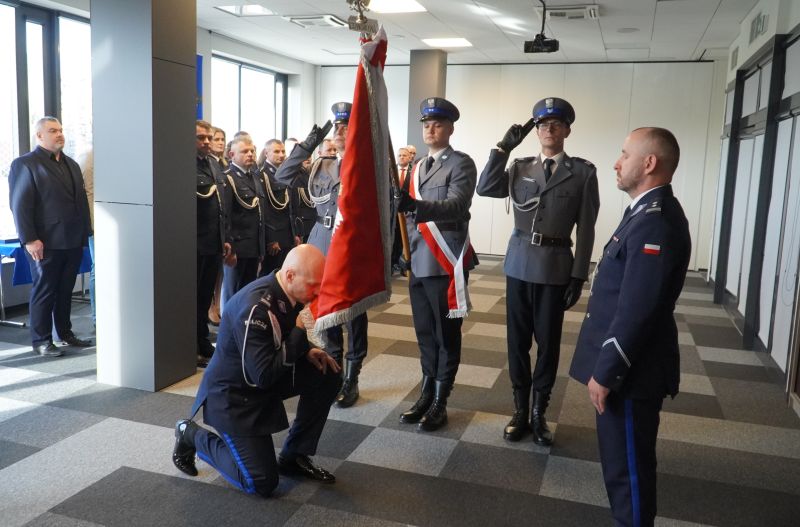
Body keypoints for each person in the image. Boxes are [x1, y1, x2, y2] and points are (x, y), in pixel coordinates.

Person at [570, 127, 690, 527]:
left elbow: (638, 308)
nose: (617, 162)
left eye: (624, 154)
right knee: (622, 469)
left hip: (631, 375)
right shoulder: (643, 211)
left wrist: (606, 372)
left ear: (649, 163)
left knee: (629, 475)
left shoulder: (655, 222)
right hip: (629, 369)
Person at [477, 97, 600, 446]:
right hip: (518, 265)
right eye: (543, 124)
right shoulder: (519, 167)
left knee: (548, 345)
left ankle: (538, 412)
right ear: (536, 130)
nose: (549, 129)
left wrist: (579, 275)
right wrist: (502, 148)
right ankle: (519, 409)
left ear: (567, 130)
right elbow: (485, 187)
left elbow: (587, 228)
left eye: (556, 124)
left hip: (555, 268)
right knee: (517, 343)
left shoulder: (583, 172)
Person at [172, 244, 342, 497]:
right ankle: (190, 434)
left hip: (262, 378)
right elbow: (261, 376)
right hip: (235, 396)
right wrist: (298, 334)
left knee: (328, 372)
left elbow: (277, 338)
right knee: (260, 482)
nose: (318, 293)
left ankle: (294, 455)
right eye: (314, 285)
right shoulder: (255, 307)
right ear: (291, 275)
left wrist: (305, 350)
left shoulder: (291, 291)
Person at [275, 102, 369, 409]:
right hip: (321, 244)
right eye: (337, 127)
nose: (340, 132)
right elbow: (284, 174)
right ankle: (334, 373)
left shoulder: (365, 165)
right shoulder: (321, 165)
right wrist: (310, 143)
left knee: (353, 316)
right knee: (325, 314)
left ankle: (352, 378)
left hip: (350, 248)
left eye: (346, 127)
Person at [396, 97, 477, 432]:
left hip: (444, 262)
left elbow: (456, 205)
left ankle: (442, 399)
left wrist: (416, 204)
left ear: (450, 128)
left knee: (446, 335)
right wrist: (403, 252)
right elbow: (408, 217)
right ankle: (426, 392)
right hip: (419, 260)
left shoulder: (462, 163)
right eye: (426, 124)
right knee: (425, 333)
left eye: (437, 124)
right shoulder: (417, 168)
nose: (430, 129)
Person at [8, 116, 92, 357]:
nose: (59, 134)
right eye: (53, 131)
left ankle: (64, 333)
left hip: (72, 239)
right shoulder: (25, 164)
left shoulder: (71, 164)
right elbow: (20, 205)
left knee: (65, 290)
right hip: (44, 242)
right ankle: (41, 340)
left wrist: (86, 234)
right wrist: (30, 239)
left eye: (61, 130)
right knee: (45, 291)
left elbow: (80, 202)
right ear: (39, 136)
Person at [196, 120, 234, 367]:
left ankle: (201, 342)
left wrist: (225, 239)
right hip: (194, 244)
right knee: (193, 297)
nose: (207, 142)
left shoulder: (212, 164)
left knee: (204, 296)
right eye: (201, 138)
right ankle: (191, 344)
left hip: (213, 243)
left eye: (209, 137)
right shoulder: (182, 166)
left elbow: (221, 207)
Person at [221, 136, 264, 307]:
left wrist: (260, 246)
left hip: (252, 246)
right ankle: (230, 331)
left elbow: (259, 215)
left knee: (248, 292)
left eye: (252, 150)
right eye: (244, 151)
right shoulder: (228, 178)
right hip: (238, 246)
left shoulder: (253, 177)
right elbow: (226, 216)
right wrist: (230, 248)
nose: (250, 154)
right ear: (232, 154)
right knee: (233, 293)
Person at [258, 139, 297, 276]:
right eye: (276, 151)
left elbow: (289, 207)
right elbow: (265, 211)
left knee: (285, 273)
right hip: (275, 238)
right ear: (266, 153)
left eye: (283, 151)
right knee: (270, 274)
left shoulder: (285, 174)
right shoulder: (262, 176)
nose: (281, 155)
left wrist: (294, 233)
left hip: (287, 234)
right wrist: (271, 239)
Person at [76, 148, 95, 326]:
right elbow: (87, 195)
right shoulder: (89, 157)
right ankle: (99, 316)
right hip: (97, 226)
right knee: (100, 270)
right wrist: (92, 227)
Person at [391, 147, 413, 273]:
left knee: (404, 238)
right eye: (399, 155)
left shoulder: (414, 171)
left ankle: (403, 263)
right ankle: (392, 263)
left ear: (409, 157)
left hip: (407, 211)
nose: (401, 157)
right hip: (392, 211)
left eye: (404, 155)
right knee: (393, 238)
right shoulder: (390, 171)